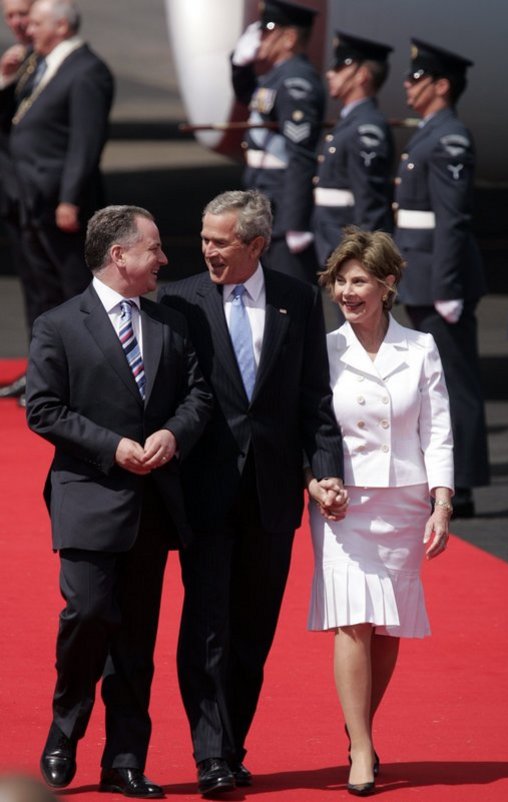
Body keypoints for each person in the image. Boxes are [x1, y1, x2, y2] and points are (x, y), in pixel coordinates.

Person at [159, 189, 346, 795]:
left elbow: (315, 399)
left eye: (221, 241)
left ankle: (233, 744)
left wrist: (324, 469)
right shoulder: (180, 300)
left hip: (271, 494)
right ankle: (209, 753)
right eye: (205, 239)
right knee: (208, 623)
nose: (207, 250)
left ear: (257, 245)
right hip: (205, 488)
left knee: (253, 628)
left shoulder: (296, 300)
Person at [25, 205, 212, 797]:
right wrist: (115, 448)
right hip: (88, 495)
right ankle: (65, 728)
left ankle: (125, 758)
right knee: (86, 613)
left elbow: (197, 395)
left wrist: (172, 433)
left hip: (154, 505)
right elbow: (43, 409)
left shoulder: (168, 324)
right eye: (153, 248)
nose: (164, 259)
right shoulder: (59, 324)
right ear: (119, 255)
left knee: (136, 637)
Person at [306, 227, 454, 797]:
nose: (346, 291)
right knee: (352, 618)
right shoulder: (323, 350)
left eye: (358, 280)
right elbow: (311, 428)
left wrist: (442, 501)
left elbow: (437, 428)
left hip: (405, 499)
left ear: (387, 285)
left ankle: (359, 726)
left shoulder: (419, 347)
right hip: (344, 504)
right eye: (339, 281)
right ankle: (362, 748)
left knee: (387, 624)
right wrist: (316, 484)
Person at [393, 38, 489, 517]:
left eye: (416, 78)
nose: (407, 85)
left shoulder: (450, 136)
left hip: (440, 277)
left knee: (455, 380)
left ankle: (464, 484)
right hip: (423, 271)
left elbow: (452, 219)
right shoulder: (431, 131)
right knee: (437, 380)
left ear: (442, 85)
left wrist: (448, 286)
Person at [5, 0, 114, 407]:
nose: (26, 29)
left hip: (60, 204)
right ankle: (47, 376)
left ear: (61, 26)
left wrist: (70, 199)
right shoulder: (41, 64)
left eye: (34, 23)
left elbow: (84, 145)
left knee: (74, 294)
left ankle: (88, 381)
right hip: (32, 200)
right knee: (41, 293)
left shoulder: (87, 70)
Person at [230, 0, 324, 284]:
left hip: (283, 203)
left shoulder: (297, 82)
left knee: (289, 293)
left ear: (290, 37)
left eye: (268, 29)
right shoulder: (277, 76)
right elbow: (253, 100)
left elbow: (301, 155)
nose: (262, 37)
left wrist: (294, 223)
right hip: (265, 196)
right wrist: (238, 66)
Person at [313, 31, 394, 271]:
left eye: (340, 66)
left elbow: (369, 201)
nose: (330, 73)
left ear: (362, 75)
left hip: (351, 250)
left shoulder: (365, 128)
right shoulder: (351, 122)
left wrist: (368, 261)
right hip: (335, 243)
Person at [0, 0, 35, 402]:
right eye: (10, 16)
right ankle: (38, 367)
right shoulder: (20, 61)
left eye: (24, 14)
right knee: (33, 288)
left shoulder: (50, 63)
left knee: (53, 289)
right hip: (16, 196)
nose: (18, 24)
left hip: (37, 195)